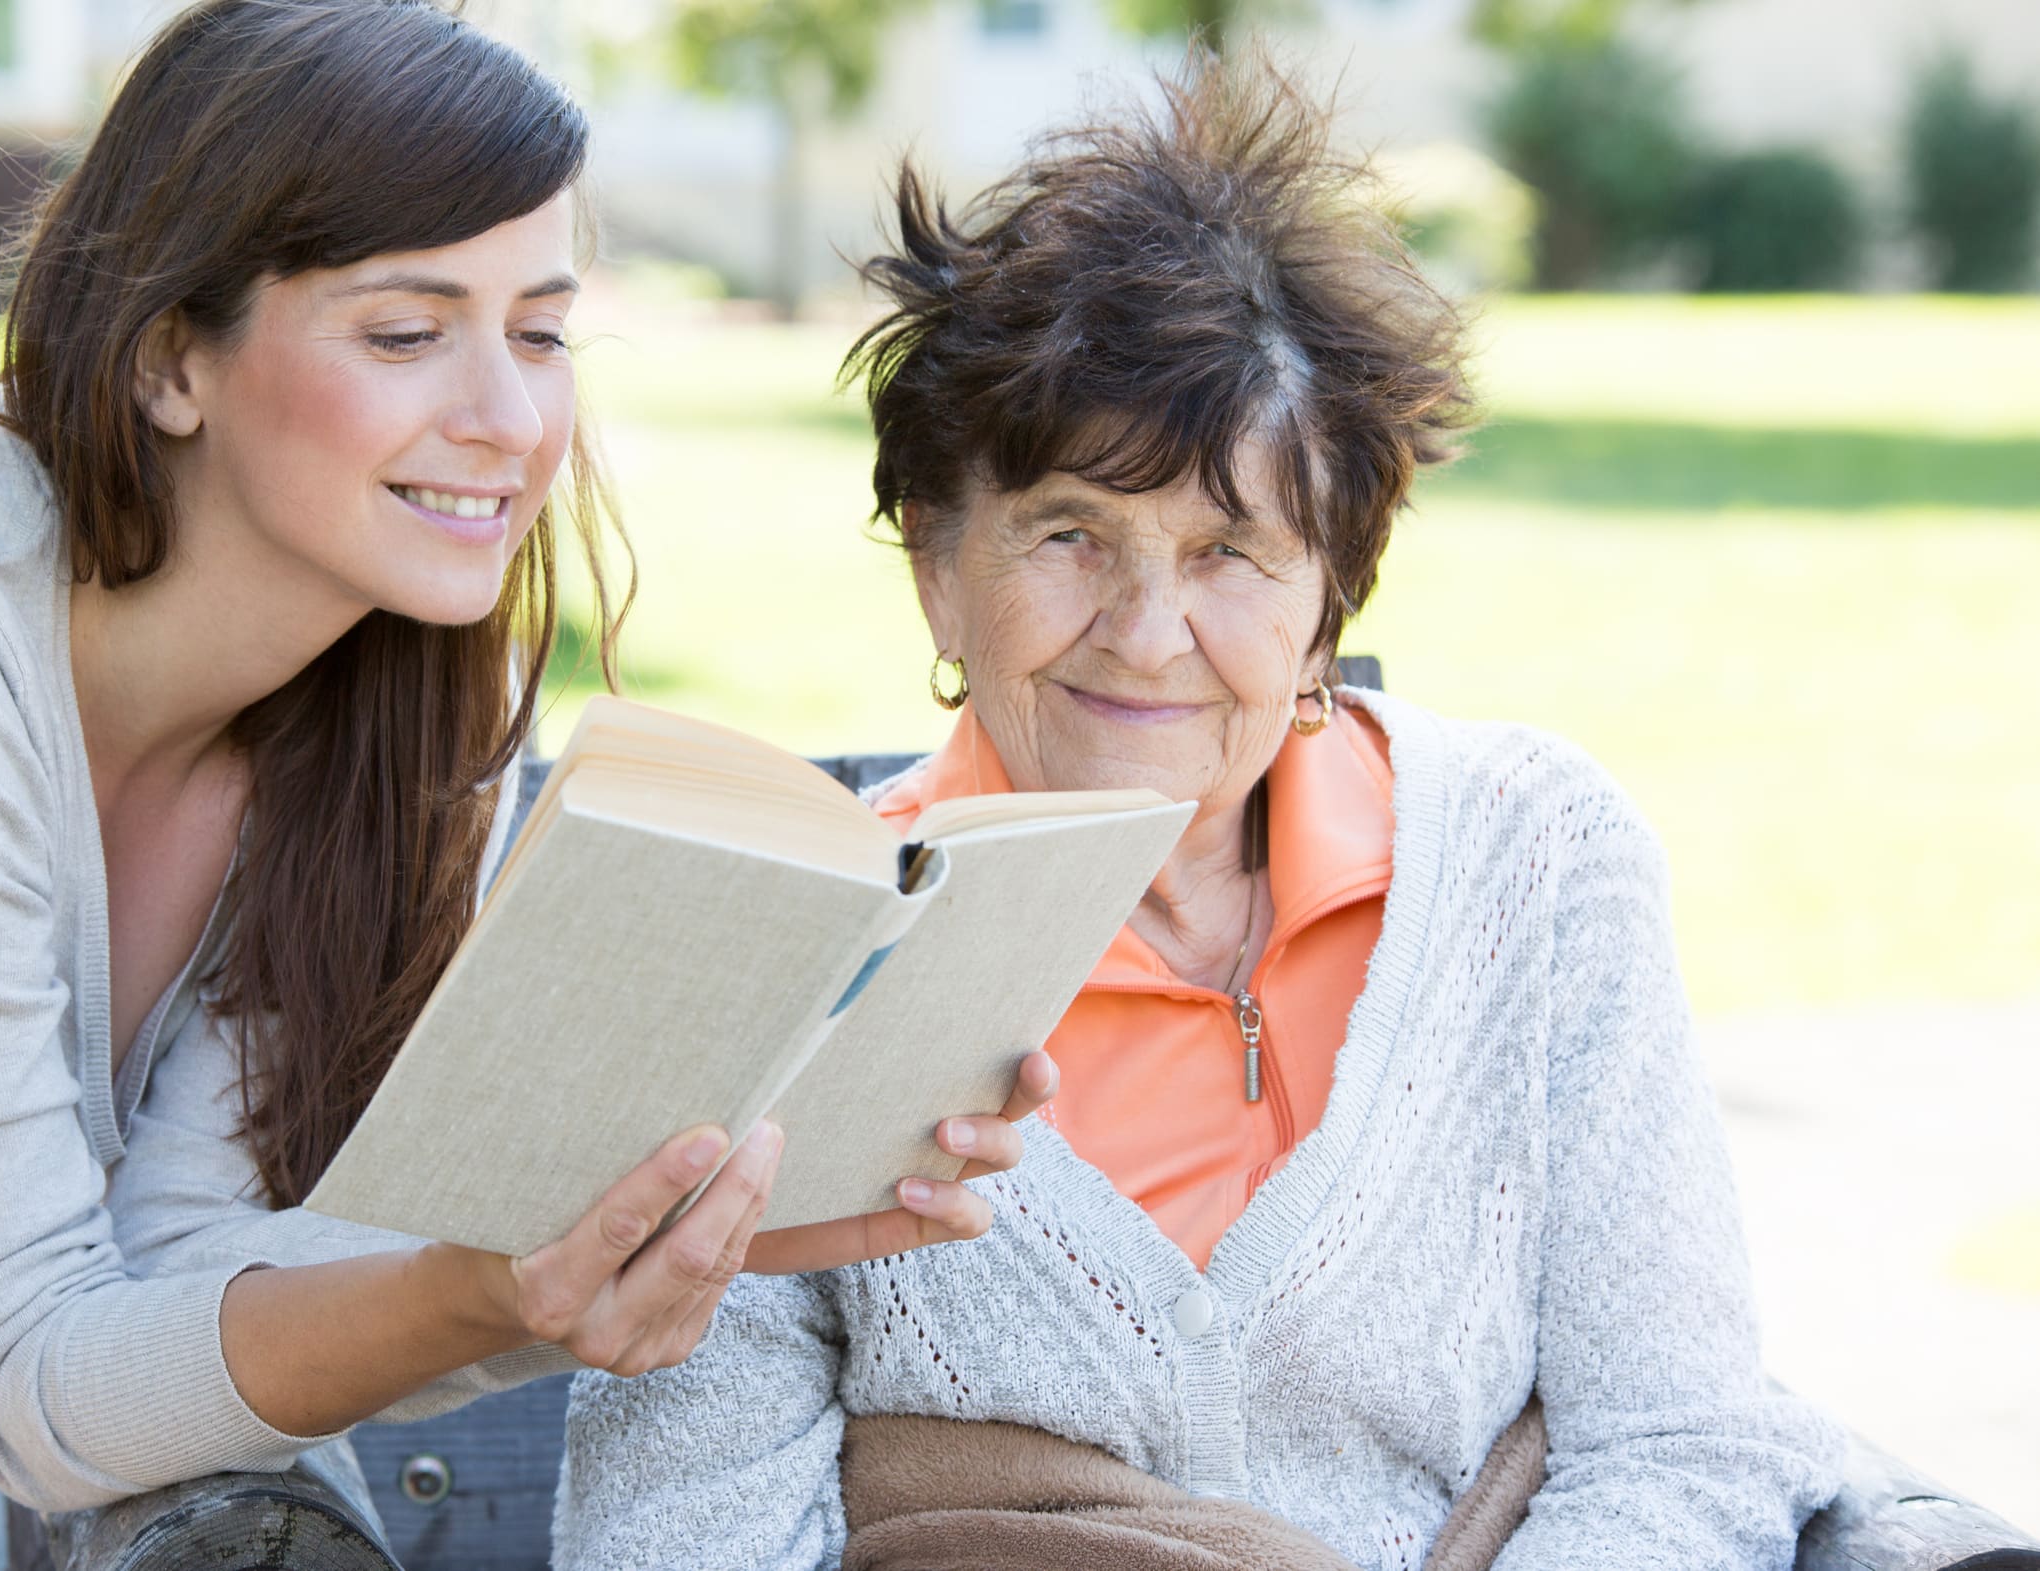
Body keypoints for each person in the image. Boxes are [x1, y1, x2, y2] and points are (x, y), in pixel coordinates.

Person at [0, 1, 1052, 1555]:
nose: (505, 418)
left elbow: (169, 1297)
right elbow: (24, 1383)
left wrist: (642, 1226)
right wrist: (472, 1288)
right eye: (407, 333)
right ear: (166, 364)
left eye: (539, 330)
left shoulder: (384, 692)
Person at [557, 54, 1843, 1571]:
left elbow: (1681, 1445)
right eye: (1069, 534)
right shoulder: (776, 955)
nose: (1147, 631)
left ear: (1328, 598)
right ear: (934, 564)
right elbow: (674, 1540)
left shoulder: (1536, 860)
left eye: (1232, 551)